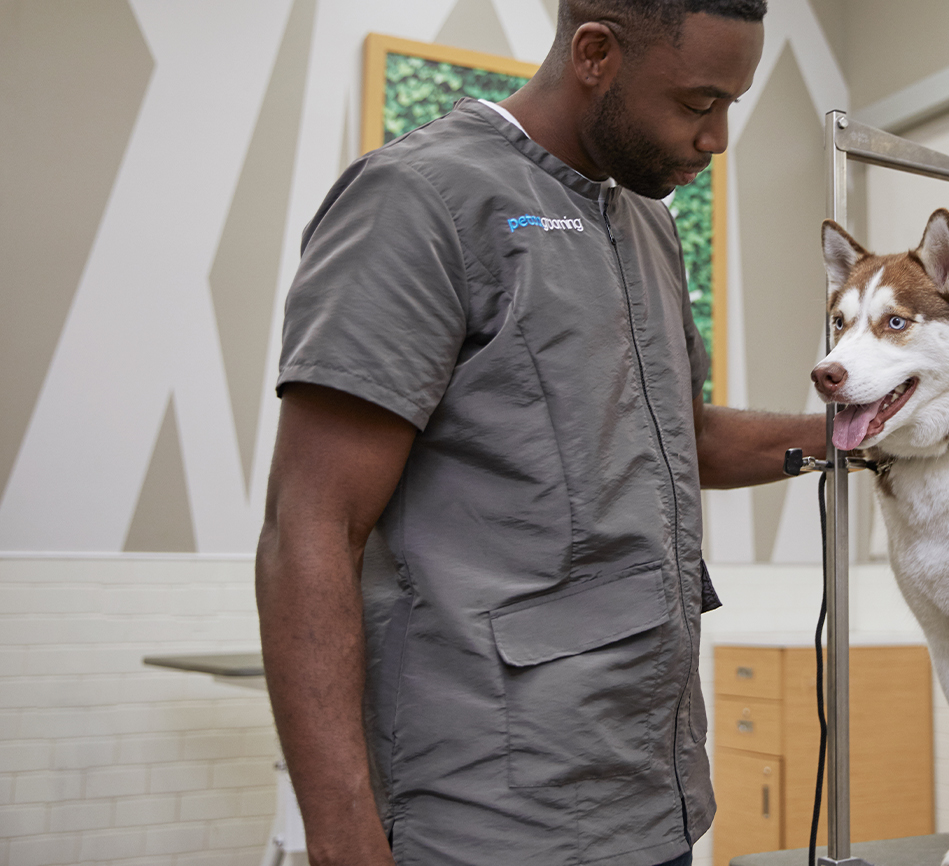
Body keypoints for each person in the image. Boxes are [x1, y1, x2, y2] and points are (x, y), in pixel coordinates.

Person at [254, 2, 824, 864]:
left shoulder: (646, 223)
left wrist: (863, 431)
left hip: (649, 797)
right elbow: (311, 527)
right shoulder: (421, 198)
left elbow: (683, 435)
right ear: (595, 54)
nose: (715, 139)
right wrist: (342, 838)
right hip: (488, 813)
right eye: (698, 103)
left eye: (730, 106)